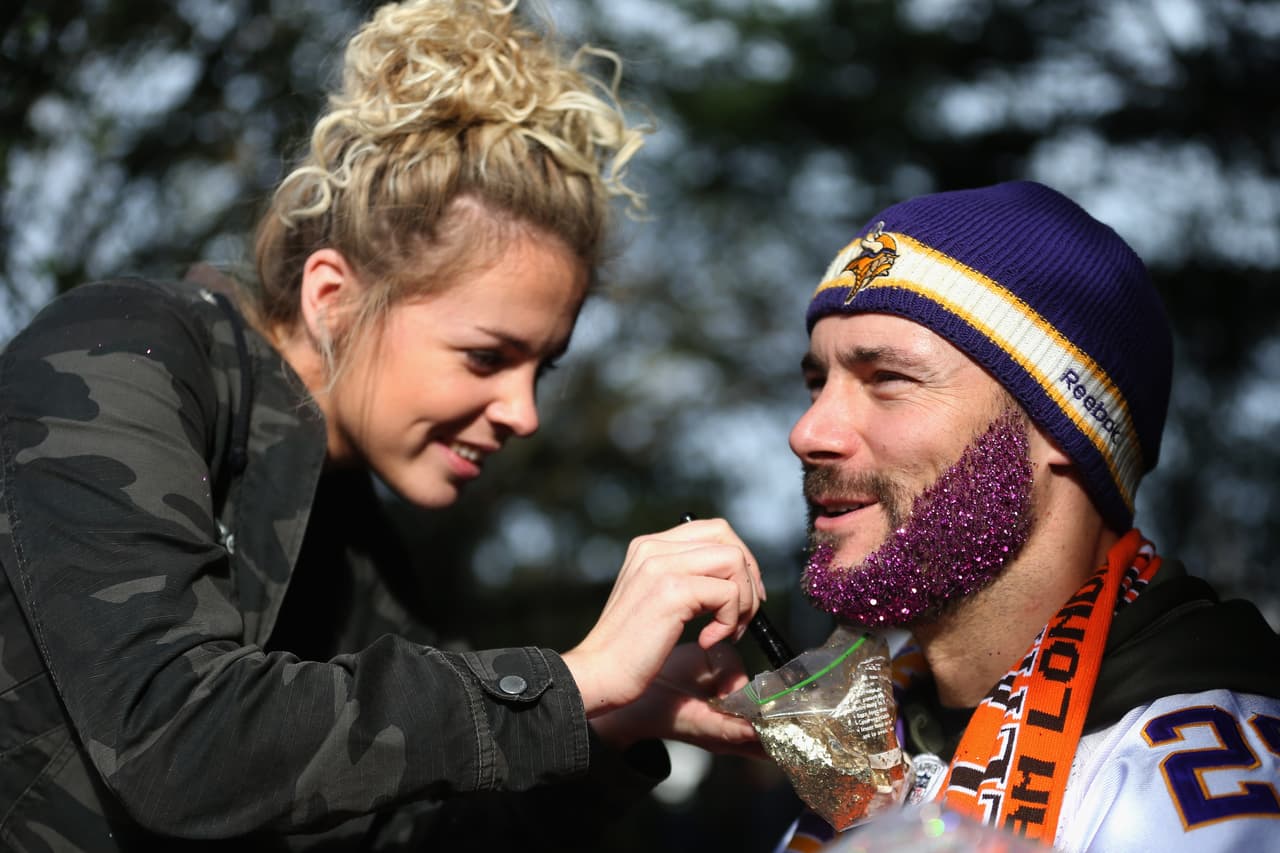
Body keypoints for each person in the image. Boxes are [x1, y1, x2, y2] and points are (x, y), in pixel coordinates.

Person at [0, 1, 764, 849]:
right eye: (485, 356)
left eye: (540, 368)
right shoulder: (123, 352)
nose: (523, 412)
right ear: (334, 296)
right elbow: (171, 737)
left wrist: (619, 719)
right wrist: (570, 680)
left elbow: (404, 836)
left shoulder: (362, 556)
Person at [772, 180, 1280, 851]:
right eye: (817, 381)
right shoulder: (871, 748)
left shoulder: (1205, 789)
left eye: (887, 378)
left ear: (1064, 429)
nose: (808, 431)